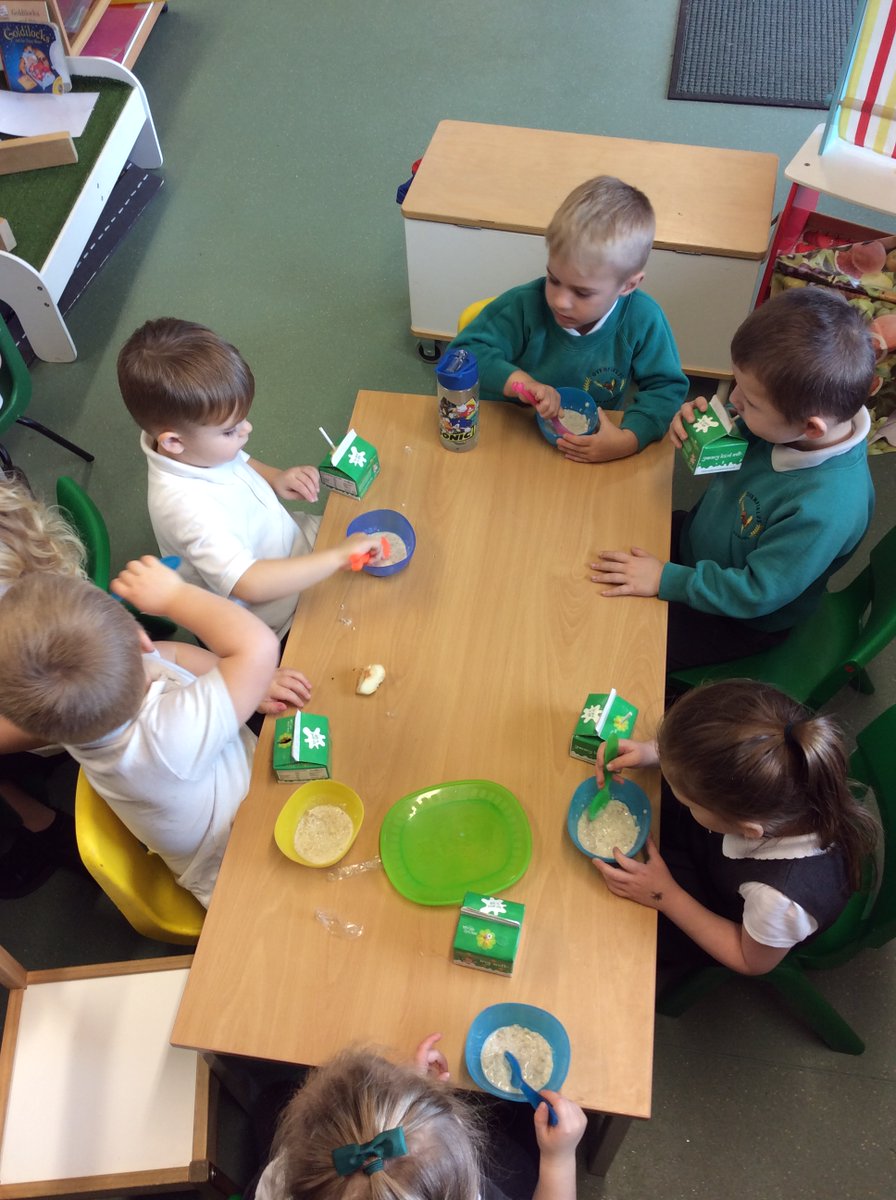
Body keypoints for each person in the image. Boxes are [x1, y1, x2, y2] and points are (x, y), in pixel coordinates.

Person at [590, 286, 877, 672]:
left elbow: (757, 592)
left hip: (737, 616)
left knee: (624, 643)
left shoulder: (828, 508)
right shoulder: (786, 423)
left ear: (810, 427)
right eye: (738, 383)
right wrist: (704, 434)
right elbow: (739, 454)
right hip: (701, 543)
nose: (734, 400)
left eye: (751, 402)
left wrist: (666, 580)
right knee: (601, 534)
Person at [0, 556, 283, 907]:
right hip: (242, 865)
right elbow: (259, 647)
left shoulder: (80, 717)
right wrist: (177, 597)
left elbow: (173, 656)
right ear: (139, 637)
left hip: (241, 789)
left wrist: (248, 684)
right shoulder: (165, 738)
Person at [117, 318, 384, 665]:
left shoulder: (194, 449)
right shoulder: (185, 508)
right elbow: (249, 584)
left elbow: (238, 461)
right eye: (230, 431)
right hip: (276, 619)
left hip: (295, 551)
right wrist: (337, 558)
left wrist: (275, 477)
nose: (247, 430)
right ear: (173, 441)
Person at [591, 680, 878, 977]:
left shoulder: (779, 901)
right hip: (717, 857)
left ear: (747, 829)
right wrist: (657, 754)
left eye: (689, 801)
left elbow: (749, 960)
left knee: (616, 927)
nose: (679, 794)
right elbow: (717, 758)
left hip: (725, 918)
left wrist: (665, 895)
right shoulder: (779, 777)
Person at [447, 175, 688, 464]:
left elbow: (665, 388)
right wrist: (518, 382)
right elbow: (462, 355)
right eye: (554, 279)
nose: (559, 300)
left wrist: (629, 439)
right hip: (512, 435)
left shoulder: (643, 319)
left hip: (593, 445)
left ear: (627, 286)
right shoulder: (524, 305)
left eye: (583, 292)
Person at [249, 1034, 586, 1200]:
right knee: (521, 1150)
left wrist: (415, 1090)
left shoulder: (281, 1179)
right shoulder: (464, 1191)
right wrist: (559, 1158)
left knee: (268, 1098)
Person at [0, 471, 88, 898]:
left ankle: (43, 825)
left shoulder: (23, 626)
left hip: (58, 714)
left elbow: (52, 716)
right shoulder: (20, 541)